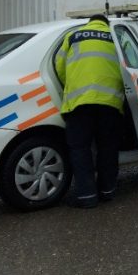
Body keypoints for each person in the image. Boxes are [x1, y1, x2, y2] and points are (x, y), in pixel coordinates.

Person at [55, 13, 126, 207]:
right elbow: (129, 70)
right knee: (108, 147)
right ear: (106, 24)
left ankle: (86, 197)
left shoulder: (73, 36)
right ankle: (107, 191)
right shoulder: (116, 38)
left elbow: (60, 67)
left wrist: (72, 86)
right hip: (109, 103)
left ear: (90, 23)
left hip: (79, 103)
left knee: (80, 149)